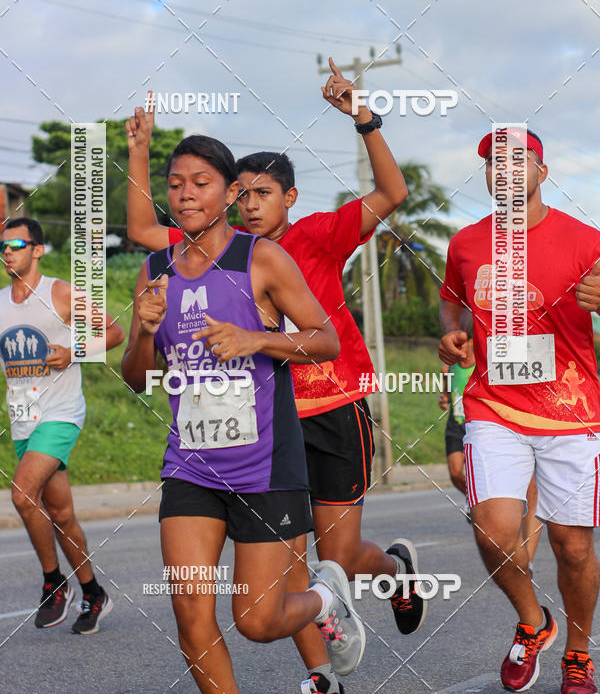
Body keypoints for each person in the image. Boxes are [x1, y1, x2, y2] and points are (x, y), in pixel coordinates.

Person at [125, 59, 427, 694]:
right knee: (217, 601)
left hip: (316, 418)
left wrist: (364, 118)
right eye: (243, 191)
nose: (249, 202)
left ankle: (381, 577)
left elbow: (392, 197)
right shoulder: (171, 262)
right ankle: (322, 673)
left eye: (261, 192)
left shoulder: (305, 241)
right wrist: (145, 328)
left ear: (285, 198)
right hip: (203, 454)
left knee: (315, 573)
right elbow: (138, 356)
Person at [121, 134, 366, 694]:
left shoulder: (263, 259)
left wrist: (257, 340)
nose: (185, 196)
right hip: (190, 466)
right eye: (176, 185)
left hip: (265, 467)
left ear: (229, 193)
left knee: (256, 621)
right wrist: (145, 332)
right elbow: (137, 377)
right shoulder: (156, 270)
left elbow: (324, 341)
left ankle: (327, 592)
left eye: (200, 185)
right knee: (190, 614)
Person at [439, 128, 600, 694]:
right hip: (494, 407)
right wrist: (450, 339)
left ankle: (577, 653)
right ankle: (534, 622)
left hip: (571, 410)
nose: (504, 170)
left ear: (542, 171)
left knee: (573, 546)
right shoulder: (464, 245)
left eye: (518, 160)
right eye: (492, 163)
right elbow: (451, 306)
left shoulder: (587, 241)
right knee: (492, 530)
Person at [0, 218, 125, 633]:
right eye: (2, 247)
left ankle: (54, 583)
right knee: (61, 513)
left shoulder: (62, 293)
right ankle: (93, 592)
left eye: (16, 244)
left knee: (21, 495)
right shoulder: (1, 303)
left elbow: (114, 331)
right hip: (23, 418)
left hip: (61, 412)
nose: (7, 252)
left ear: (37, 250)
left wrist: (73, 350)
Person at [439, 341, 542, 568]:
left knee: (531, 489)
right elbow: (444, 394)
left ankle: (528, 562)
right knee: (457, 472)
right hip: (458, 422)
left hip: (506, 419)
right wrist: (444, 398)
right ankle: (475, 499)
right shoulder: (449, 367)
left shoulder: (489, 357)